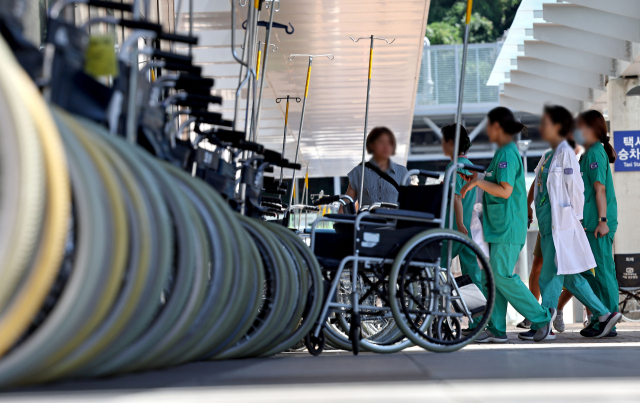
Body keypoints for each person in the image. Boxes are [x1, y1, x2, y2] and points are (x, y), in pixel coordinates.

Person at [518, 105, 620, 341]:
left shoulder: (568, 154)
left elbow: (578, 192)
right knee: (572, 276)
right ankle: (603, 315)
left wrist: (575, 221)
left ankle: (544, 322)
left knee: (554, 274)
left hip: (562, 225)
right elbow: (539, 185)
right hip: (549, 226)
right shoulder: (550, 154)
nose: (541, 128)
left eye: (546, 124)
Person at [461, 107, 555, 343]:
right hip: (499, 226)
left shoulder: (507, 154)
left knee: (502, 276)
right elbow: (497, 183)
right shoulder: (502, 154)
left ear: (497, 127)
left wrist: (476, 185)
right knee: (493, 277)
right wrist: (478, 179)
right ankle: (496, 328)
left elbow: (505, 191)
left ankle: (542, 318)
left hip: (507, 226)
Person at [574, 110, 620, 338]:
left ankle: (610, 319)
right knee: (589, 273)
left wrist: (602, 221)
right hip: (591, 224)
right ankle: (599, 316)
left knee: (603, 272)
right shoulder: (587, 154)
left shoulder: (595, 153)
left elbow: (599, 189)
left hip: (600, 224)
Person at [439, 124, 483, 335]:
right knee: (472, 273)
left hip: (454, 227)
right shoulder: (472, 167)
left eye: (443, 140)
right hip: (470, 230)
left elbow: (456, 196)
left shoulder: (453, 167)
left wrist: (458, 224)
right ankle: (479, 321)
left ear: (450, 143)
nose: (441, 145)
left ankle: (437, 317)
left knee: (436, 270)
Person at [343, 127, 408, 212]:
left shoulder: (402, 172)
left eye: (389, 143)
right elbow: (346, 204)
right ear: (371, 145)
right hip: (366, 223)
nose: (386, 147)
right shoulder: (359, 172)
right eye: (381, 142)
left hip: (394, 223)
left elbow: (409, 204)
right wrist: (338, 223)